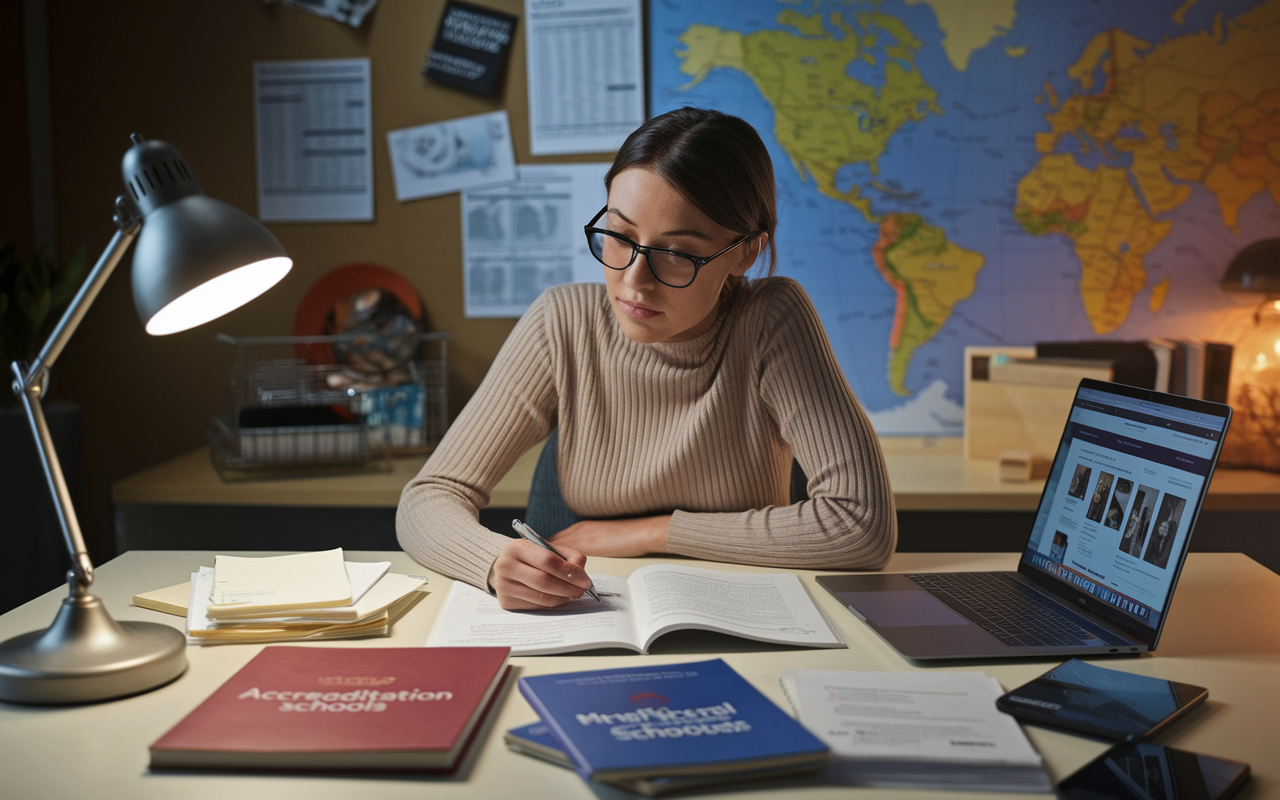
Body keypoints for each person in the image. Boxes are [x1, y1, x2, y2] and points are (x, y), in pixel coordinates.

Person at [397, 107, 897, 610]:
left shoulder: (770, 320)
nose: (635, 281)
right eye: (620, 236)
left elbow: (860, 523)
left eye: (677, 252)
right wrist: (490, 560)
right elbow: (429, 496)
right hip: (590, 610)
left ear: (745, 253)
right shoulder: (561, 323)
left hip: (749, 606)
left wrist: (650, 533)